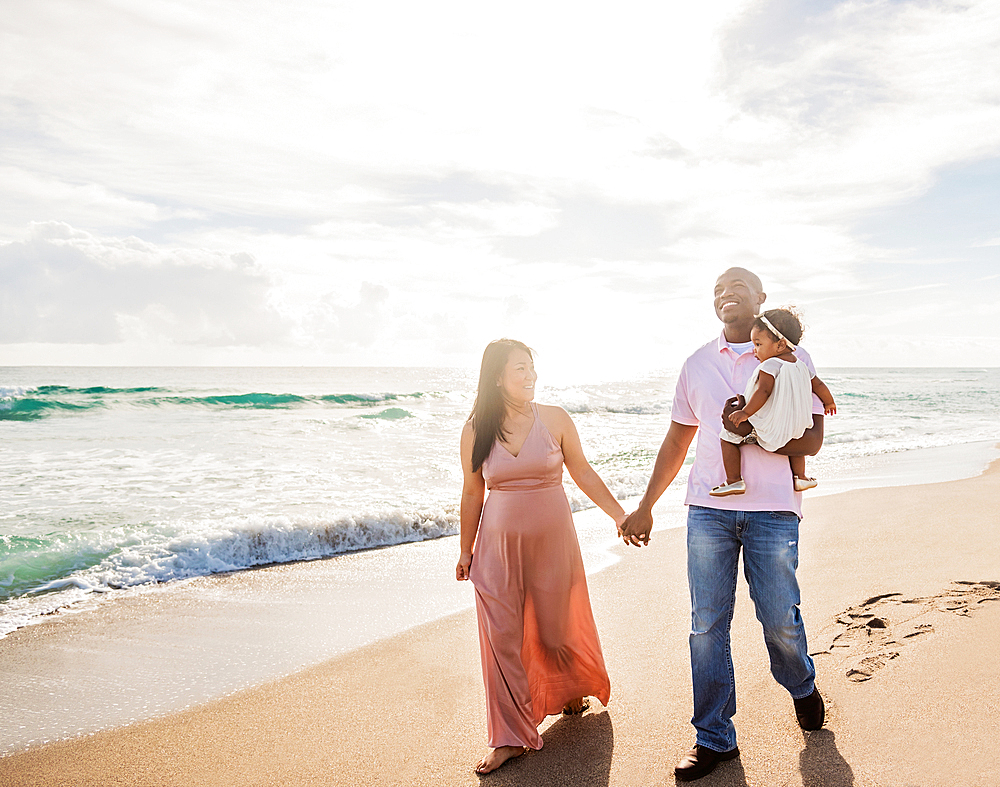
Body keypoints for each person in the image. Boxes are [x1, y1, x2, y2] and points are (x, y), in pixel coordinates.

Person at [619, 269, 828, 782]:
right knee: (706, 625)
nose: (725, 293)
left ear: (761, 299)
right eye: (718, 289)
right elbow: (677, 440)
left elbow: (813, 437)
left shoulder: (793, 359)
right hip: (708, 509)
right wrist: (646, 504)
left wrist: (760, 437)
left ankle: (801, 683)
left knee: (779, 617)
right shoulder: (696, 364)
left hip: (774, 508)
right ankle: (714, 737)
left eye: (738, 287)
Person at [456, 339, 626, 775]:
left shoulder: (554, 419)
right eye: (519, 370)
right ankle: (508, 737)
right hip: (497, 547)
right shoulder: (476, 429)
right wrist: (465, 548)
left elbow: (582, 471)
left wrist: (620, 515)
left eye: (532, 368)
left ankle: (570, 688)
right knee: (502, 637)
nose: (530, 376)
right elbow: (473, 490)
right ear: (497, 378)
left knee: (554, 628)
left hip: (553, 542)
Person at [710, 307, 837, 497]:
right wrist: (829, 403)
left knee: (727, 435)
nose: (755, 351)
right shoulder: (801, 365)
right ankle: (801, 477)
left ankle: (734, 480)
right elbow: (818, 385)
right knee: (795, 440)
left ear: (780, 345)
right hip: (796, 426)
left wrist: (746, 413)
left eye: (758, 344)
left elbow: (764, 391)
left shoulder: (769, 365)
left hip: (769, 426)